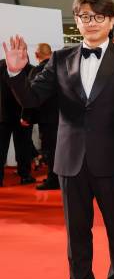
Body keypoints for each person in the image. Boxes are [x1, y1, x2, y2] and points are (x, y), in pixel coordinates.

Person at [3, 0, 114, 279]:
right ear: (76, 21)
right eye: (84, 16)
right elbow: (33, 99)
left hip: (112, 160)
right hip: (70, 161)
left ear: (110, 21)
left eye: (98, 16)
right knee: (77, 232)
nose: (90, 22)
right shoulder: (60, 58)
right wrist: (15, 74)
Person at [28, 43, 60, 190]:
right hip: (65, 118)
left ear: (36, 55)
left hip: (47, 119)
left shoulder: (38, 71)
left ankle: (54, 180)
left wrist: (27, 117)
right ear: (51, 53)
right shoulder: (61, 68)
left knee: (50, 150)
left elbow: (30, 98)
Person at [0, 59, 36, 187]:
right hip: (22, 116)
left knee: (8, 148)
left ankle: (24, 175)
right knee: (23, 148)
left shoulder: (1, 66)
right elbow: (33, 95)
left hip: (5, 115)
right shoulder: (31, 69)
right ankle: (25, 176)